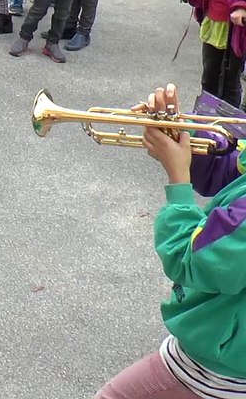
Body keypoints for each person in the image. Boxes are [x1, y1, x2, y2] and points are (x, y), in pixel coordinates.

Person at [93, 83, 246, 399]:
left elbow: (190, 260)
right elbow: (230, 171)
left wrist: (178, 180)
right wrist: (178, 136)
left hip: (214, 369)